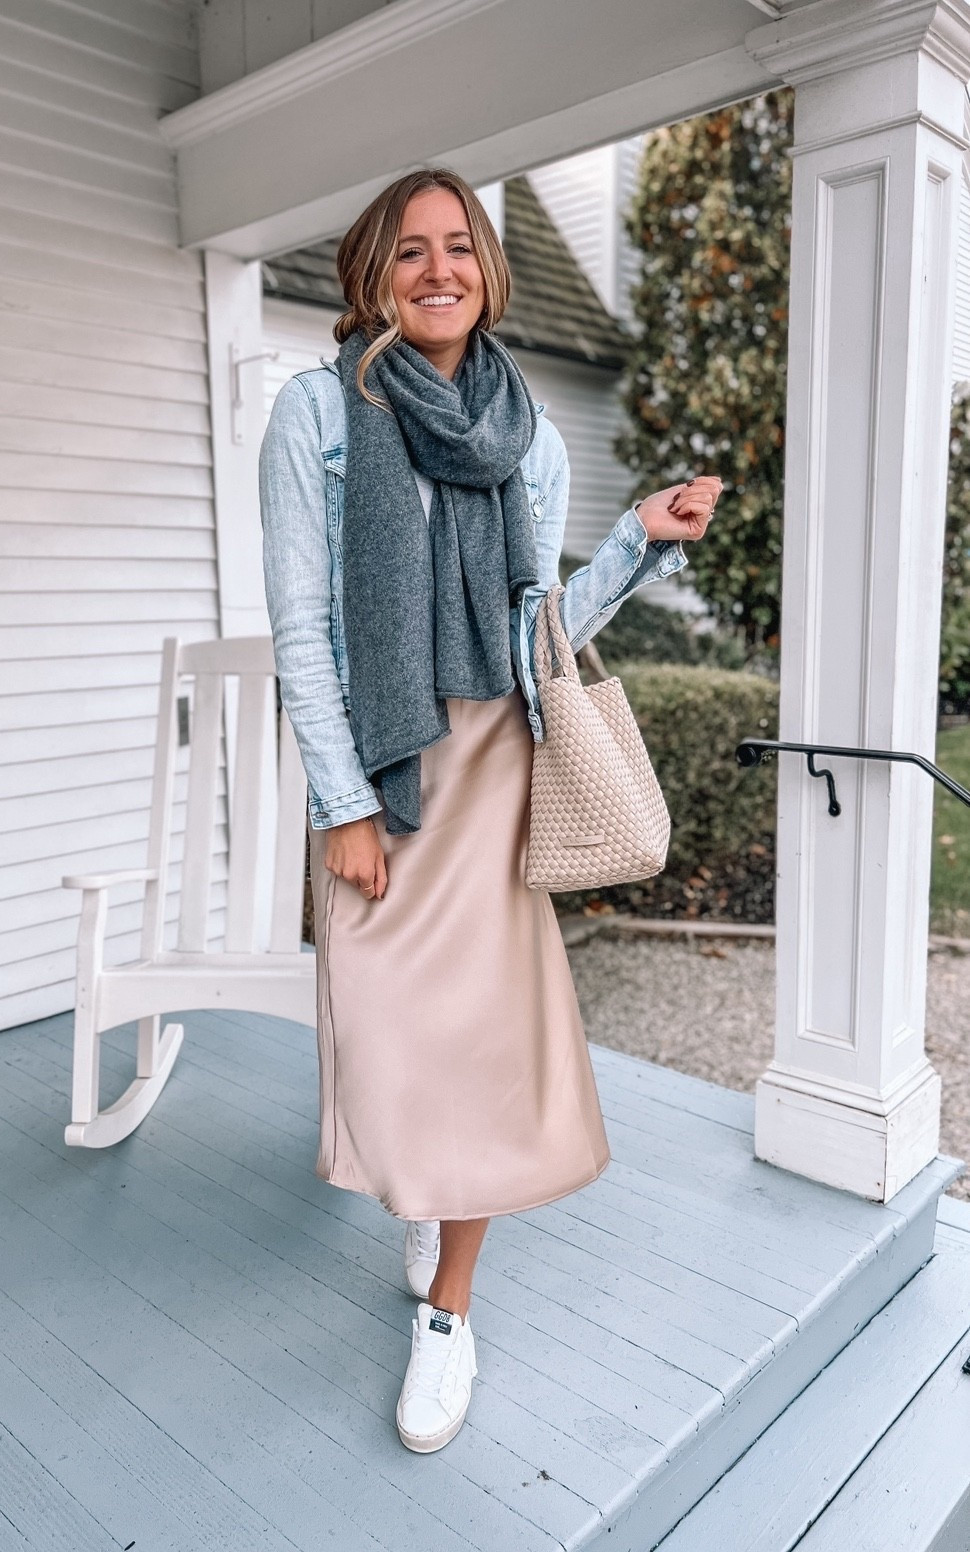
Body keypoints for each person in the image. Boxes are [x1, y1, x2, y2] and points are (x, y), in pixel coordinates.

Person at [258, 167, 720, 1455]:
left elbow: (538, 633)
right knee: (390, 1037)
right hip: (389, 773)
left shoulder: (530, 427)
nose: (439, 269)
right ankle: (426, 1179)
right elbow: (303, 629)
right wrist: (342, 803)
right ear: (373, 274)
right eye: (411, 250)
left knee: (483, 1041)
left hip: (498, 767)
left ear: (491, 269)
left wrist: (640, 540)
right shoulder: (315, 416)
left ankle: (451, 1312)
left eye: (461, 247)